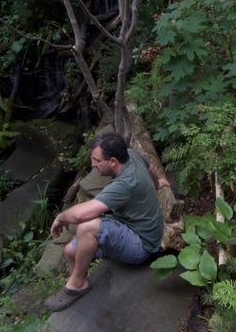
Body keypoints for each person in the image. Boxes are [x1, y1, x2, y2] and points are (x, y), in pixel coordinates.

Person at [44, 132, 170, 312]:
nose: (93, 164)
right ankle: (77, 281)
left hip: (142, 243)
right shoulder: (131, 155)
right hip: (128, 224)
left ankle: (77, 284)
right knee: (70, 251)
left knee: (87, 228)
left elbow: (81, 215)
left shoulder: (124, 184)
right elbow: (150, 168)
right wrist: (158, 183)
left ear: (112, 162)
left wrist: (60, 217)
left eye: (97, 160)